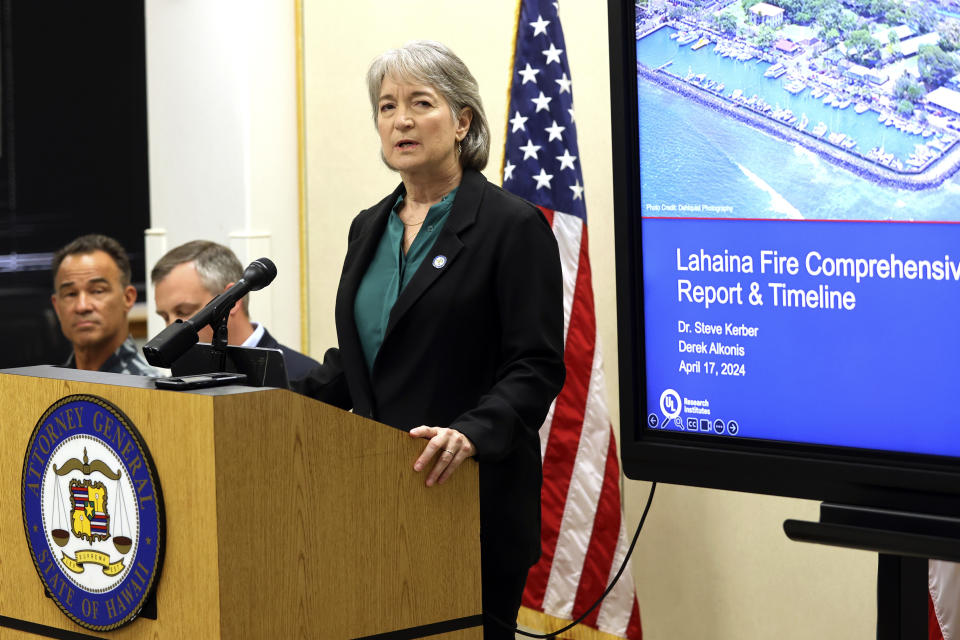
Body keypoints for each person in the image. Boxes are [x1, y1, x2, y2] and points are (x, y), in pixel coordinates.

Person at [292, 41, 565, 638]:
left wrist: (472, 431)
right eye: (387, 107)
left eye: (421, 102)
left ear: (463, 121)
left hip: (467, 498)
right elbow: (361, 359)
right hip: (373, 497)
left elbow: (536, 365)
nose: (402, 120)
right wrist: (270, 402)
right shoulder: (369, 226)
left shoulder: (511, 226)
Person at [151, 240, 321, 380]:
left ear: (233, 300)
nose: (171, 328)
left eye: (183, 312)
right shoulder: (181, 376)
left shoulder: (304, 376)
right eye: (165, 317)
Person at [50, 234, 157, 375]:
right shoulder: (48, 389)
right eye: (70, 294)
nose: (82, 306)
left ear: (128, 298)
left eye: (97, 291)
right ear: (57, 306)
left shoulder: (152, 390)